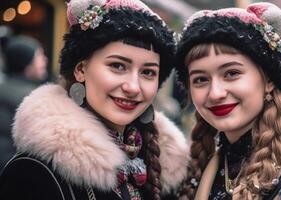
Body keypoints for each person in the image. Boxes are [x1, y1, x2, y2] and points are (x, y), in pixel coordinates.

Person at [0, 0, 189, 199]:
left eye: (148, 72)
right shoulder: (34, 173)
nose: (133, 87)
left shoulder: (164, 167)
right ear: (81, 69)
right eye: (118, 66)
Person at [175, 2, 281, 200]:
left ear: (268, 80)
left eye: (231, 73)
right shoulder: (197, 168)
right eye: (200, 79)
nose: (215, 93)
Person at [0, 35, 48, 170]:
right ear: (26, 63)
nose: (45, 60)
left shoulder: (4, 88)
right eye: (39, 56)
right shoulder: (31, 98)